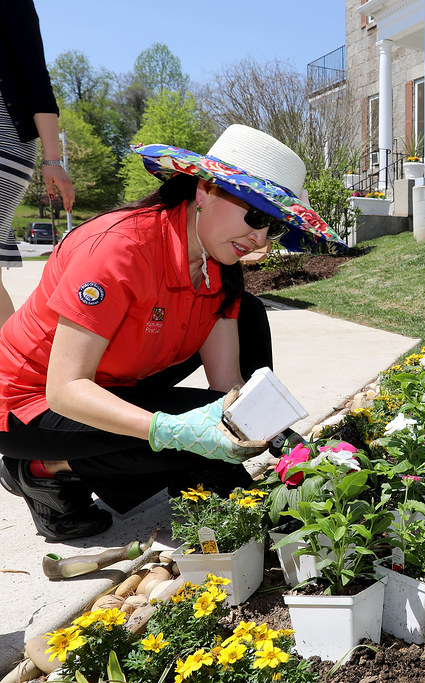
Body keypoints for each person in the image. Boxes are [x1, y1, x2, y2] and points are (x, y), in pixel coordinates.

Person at [0, 124, 346, 541]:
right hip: (30, 402)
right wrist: (172, 430)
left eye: (272, 227)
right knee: (190, 433)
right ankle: (43, 468)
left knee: (247, 321)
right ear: (206, 190)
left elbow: (228, 388)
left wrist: (278, 440)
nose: (260, 240)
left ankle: (185, 471)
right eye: (256, 216)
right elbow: (64, 389)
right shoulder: (119, 249)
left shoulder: (219, 265)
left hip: (114, 379)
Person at [0, 0, 75, 325]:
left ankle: (10, 355)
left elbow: (34, 74)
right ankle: (11, 354)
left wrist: (52, 159)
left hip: (4, 140)